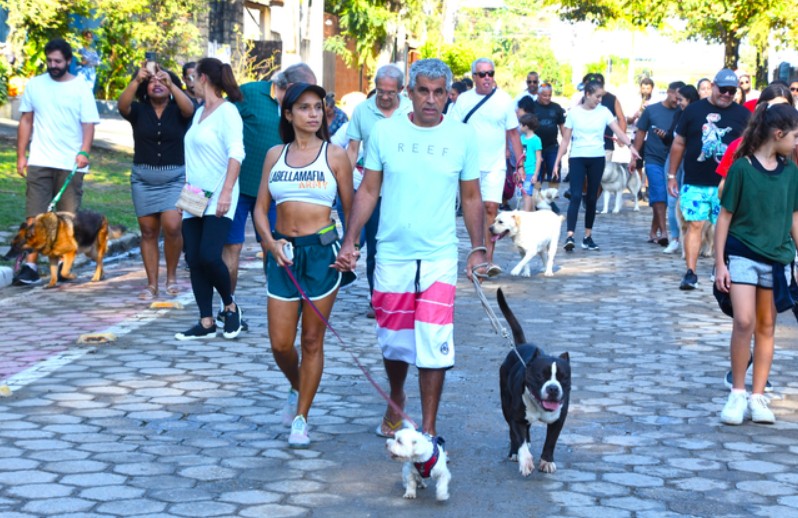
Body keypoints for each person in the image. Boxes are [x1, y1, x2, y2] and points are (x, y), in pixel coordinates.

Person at [333, 58, 487, 442]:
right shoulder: (385, 133)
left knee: (434, 340)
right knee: (395, 340)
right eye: (423, 91)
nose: (431, 100)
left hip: (438, 255)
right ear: (409, 93)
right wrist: (351, 239)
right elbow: (368, 190)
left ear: (448, 95)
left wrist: (479, 248)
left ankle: (428, 432)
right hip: (392, 253)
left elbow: (470, 197)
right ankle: (397, 399)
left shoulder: (463, 137)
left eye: (439, 92)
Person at [252, 83, 353, 448]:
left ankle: (301, 418)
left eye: (318, 107)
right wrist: (268, 241)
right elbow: (260, 209)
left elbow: (351, 207)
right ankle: (298, 385)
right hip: (282, 255)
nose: (313, 114)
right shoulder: (274, 155)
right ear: (288, 113)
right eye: (305, 108)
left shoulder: (335, 155)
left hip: (321, 256)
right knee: (280, 344)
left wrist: (351, 246)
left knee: (312, 340)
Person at [715, 102, 798, 425]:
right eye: (794, 136)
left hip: (777, 259)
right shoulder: (741, 169)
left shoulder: (791, 171)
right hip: (741, 255)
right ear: (778, 134)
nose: (796, 143)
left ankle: (758, 396)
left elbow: (793, 216)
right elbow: (725, 217)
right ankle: (737, 393)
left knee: (767, 327)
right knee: (744, 322)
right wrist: (720, 263)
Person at [223, 63, 317, 330]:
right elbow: (221, 121)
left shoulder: (295, 110)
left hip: (277, 190)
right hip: (240, 187)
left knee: (278, 247)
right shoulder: (250, 94)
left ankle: (282, 301)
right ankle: (227, 305)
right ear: (288, 87)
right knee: (232, 248)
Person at [15, 38, 100, 285]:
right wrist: (22, 155)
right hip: (40, 159)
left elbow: (88, 124)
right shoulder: (35, 85)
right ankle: (30, 265)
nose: (53, 65)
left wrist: (84, 152)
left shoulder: (81, 87)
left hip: (70, 162)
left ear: (69, 62)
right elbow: (26, 121)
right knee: (35, 216)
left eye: (58, 61)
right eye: (50, 61)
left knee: (66, 217)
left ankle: (63, 263)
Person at [174, 57, 245, 341]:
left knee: (209, 255)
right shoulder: (199, 112)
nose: (190, 82)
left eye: (192, 77)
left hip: (219, 191)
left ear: (204, 78)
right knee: (193, 257)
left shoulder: (228, 112)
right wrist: (185, 195)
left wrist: (227, 191)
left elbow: (236, 153)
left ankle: (230, 306)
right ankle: (205, 322)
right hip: (194, 193)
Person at [667, 68, 750, 290]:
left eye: (732, 91)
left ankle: (719, 268)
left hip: (728, 183)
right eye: (723, 89)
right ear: (713, 86)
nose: (727, 94)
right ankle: (691, 272)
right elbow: (679, 143)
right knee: (695, 224)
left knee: (723, 228)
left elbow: (749, 148)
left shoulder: (743, 115)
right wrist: (672, 175)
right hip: (695, 181)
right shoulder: (694, 111)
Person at [118, 65, 194, 299]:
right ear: (144, 87)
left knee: (173, 227)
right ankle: (152, 284)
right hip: (143, 179)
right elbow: (122, 106)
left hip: (175, 178)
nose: (157, 83)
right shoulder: (139, 111)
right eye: (151, 81)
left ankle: (171, 277)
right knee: (148, 231)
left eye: (163, 80)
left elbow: (190, 109)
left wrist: (172, 84)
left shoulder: (178, 110)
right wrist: (135, 80)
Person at [346, 64, 412, 317]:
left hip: (404, 190)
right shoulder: (363, 110)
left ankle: (403, 295)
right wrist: (342, 183)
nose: (384, 97)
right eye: (380, 91)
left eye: (390, 92)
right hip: (373, 190)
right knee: (375, 247)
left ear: (401, 90)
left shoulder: (410, 109)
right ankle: (378, 298)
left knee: (403, 244)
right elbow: (353, 149)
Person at [450, 57, 523, 275]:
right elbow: (453, 129)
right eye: (482, 74)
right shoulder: (464, 100)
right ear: (474, 77)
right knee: (473, 211)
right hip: (469, 165)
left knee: (491, 208)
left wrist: (520, 166)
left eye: (490, 73)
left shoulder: (504, 100)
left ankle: (488, 259)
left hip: (495, 164)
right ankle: (476, 251)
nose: (487, 78)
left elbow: (513, 133)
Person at [553, 79, 640, 252]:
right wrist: (557, 162)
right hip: (577, 157)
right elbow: (565, 140)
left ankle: (587, 236)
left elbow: (618, 131)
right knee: (576, 195)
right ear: (587, 94)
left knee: (592, 197)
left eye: (602, 97)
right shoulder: (574, 113)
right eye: (597, 96)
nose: (600, 100)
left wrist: (631, 147)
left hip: (597, 158)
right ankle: (570, 236)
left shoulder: (604, 112)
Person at [633, 81, 683, 245]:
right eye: (676, 95)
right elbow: (640, 133)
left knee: (665, 197)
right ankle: (664, 233)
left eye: (680, 97)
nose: (678, 100)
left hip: (673, 161)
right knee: (660, 195)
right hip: (653, 158)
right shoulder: (651, 110)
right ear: (668, 92)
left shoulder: (682, 112)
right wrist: (634, 156)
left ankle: (654, 231)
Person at [660, 84, 700, 254]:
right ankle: (675, 238)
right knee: (672, 201)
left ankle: (690, 240)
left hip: (691, 160)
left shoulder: (699, 113)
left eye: (681, 99)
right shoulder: (678, 114)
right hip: (674, 159)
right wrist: (664, 136)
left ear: (690, 99)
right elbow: (671, 137)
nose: (678, 102)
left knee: (688, 200)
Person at [531, 82, 566, 190]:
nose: (547, 98)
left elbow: (562, 126)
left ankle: (552, 197)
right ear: (538, 94)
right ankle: (537, 197)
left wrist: (564, 145)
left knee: (555, 170)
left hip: (552, 146)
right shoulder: (532, 107)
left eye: (549, 95)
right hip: (536, 147)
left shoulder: (556, 107)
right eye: (544, 95)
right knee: (537, 172)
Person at [518, 113, 542, 211]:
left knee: (527, 193)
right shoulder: (521, 138)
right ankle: (530, 214)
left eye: (520, 124)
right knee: (524, 194)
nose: (519, 126)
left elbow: (539, 158)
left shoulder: (536, 140)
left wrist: (535, 174)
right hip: (522, 171)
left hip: (531, 171)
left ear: (526, 126)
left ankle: (525, 216)